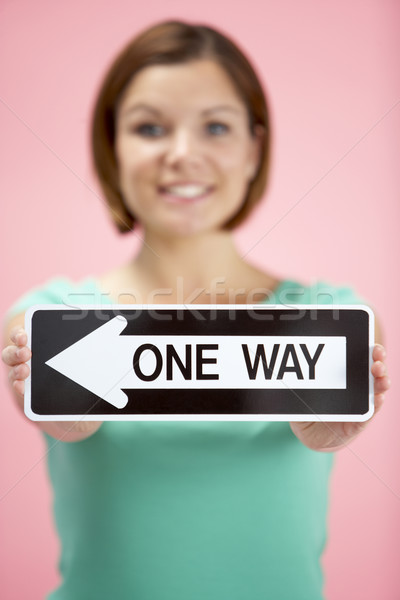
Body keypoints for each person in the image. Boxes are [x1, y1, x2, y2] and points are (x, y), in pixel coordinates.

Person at [2, 20, 390, 600]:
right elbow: (50, 407)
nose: (182, 155)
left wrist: (326, 436)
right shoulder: (45, 318)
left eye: (215, 127)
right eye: (150, 127)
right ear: (113, 146)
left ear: (254, 149)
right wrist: (63, 422)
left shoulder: (334, 318)